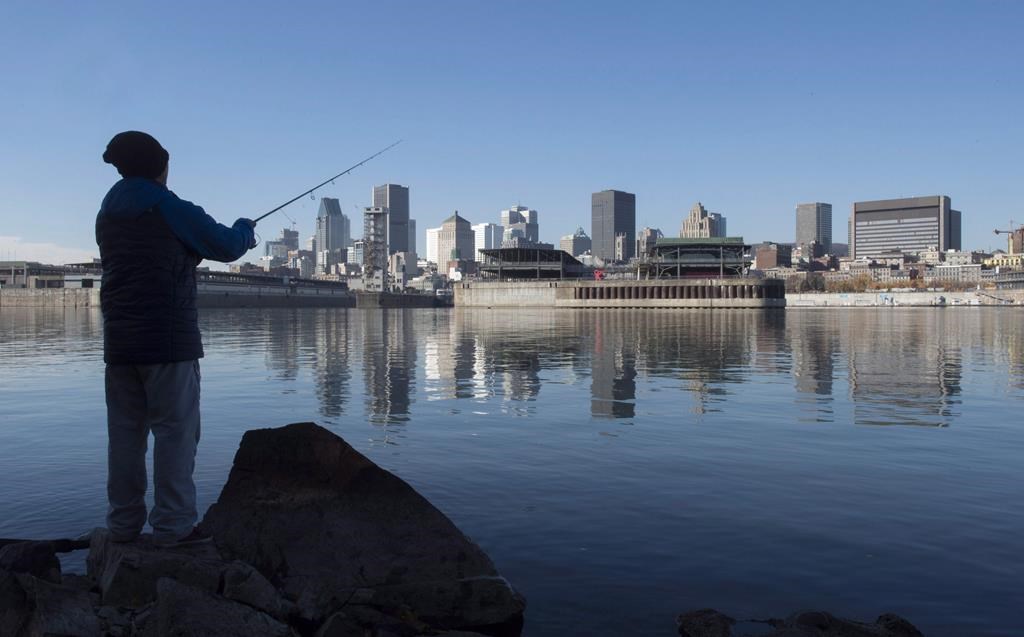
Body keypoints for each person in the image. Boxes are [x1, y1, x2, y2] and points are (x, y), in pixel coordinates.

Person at [96, 131, 256, 547]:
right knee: (175, 433)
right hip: (168, 340)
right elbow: (227, 245)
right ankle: (173, 528)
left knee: (125, 436)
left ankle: (122, 527)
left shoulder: (108, 212)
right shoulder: (169, 206)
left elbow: (149, 253)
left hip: (119, 342)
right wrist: (245, 227)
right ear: (161, 166)